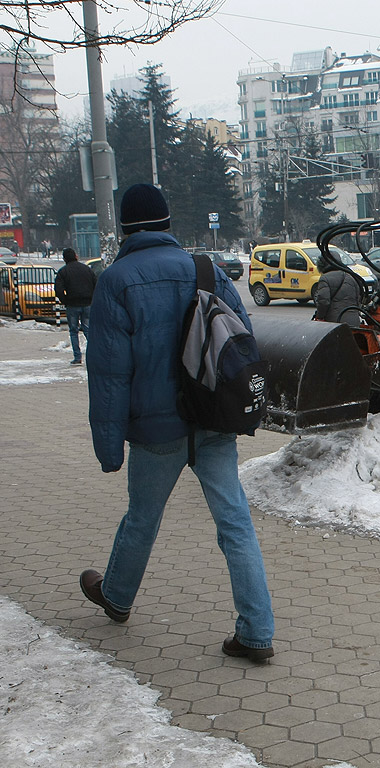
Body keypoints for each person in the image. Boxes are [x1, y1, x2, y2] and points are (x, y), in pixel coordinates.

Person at [80, 183, 275, 662]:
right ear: (167, 223)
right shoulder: (203, 268)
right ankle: (256, 632)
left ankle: (118, 597)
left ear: (125, 228)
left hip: (155, 431)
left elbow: (109, 374)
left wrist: (109, 447)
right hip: (212, 421)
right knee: (235, 523)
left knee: (142, 518)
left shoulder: (115, 281)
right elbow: (241, 339)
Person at [54, 247, 97, 365]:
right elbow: (96, 284)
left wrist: (65, 301)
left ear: (64, 259)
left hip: (72, 304)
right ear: (76, 256)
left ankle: (77, 357)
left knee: (73, 331)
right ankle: (95, 354)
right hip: (88, 303)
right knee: (88, 329)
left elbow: (58, 289)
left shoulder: (63, 272)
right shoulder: (86, 269)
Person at [314, 255, 362, 326]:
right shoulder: (350, 276)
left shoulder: (325, 278)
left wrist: (319, 316)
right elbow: (358, 299)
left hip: (335, 322)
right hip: (354, 321)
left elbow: (323, 302)